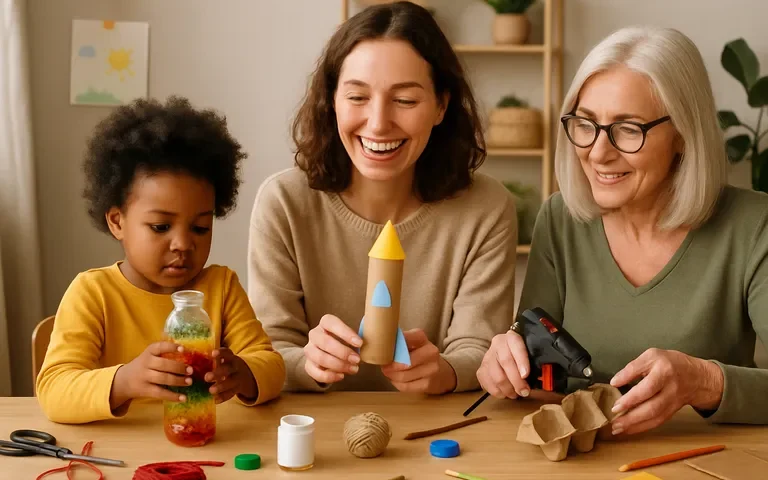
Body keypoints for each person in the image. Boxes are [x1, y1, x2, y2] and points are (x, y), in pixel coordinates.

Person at [477, 25, 768, 433]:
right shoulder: (560, 220)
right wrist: (508, 368)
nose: (598, 152)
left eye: (629, 129)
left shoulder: (755, 225)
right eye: (586, 123)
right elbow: (545, 377)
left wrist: (704, 381)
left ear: (684, 134)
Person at [248, 1, 517, 394]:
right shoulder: (284, 203)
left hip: (434, 435)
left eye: (405, 100)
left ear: (442, 105)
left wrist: (444, 371)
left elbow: (479, 347)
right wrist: (308, 362)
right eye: (357, 97)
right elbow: (266, 350)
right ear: (332, 101)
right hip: (314, 434)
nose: (378, 123)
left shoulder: (486, 208)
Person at [36, 96, 286, 424]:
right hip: (123, 456)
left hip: (206, 444)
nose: (183, 244)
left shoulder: (222, 287)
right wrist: (124, 380)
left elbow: (272, 367)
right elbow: (54, 390)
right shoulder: (93, 292)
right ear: (117, 222)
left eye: (200, 227)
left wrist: (244, 374)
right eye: (160, 227)